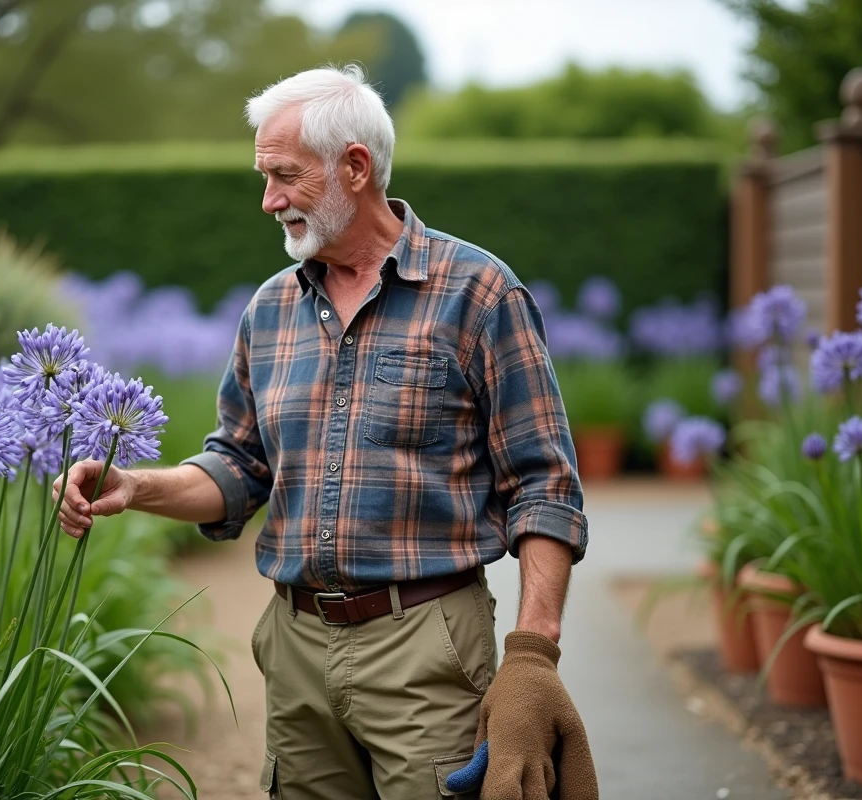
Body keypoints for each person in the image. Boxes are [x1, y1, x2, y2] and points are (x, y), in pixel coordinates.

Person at [54, 65, 598, 800]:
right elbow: (238, 467)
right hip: (295, 648)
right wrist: (135, 486)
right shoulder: (271, 309)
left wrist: (533, 655)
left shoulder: (479, 294)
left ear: (355, 166)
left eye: (285, 176)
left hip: (427, 645)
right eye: (264, 176)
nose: (268, 199)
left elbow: (545, 484)